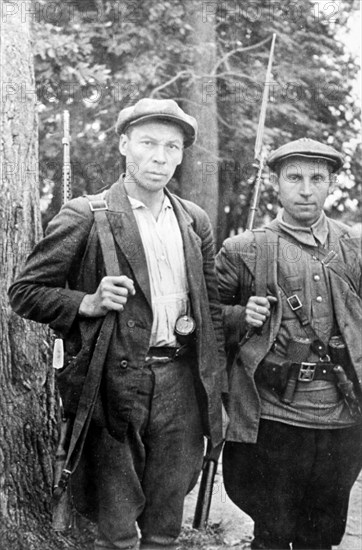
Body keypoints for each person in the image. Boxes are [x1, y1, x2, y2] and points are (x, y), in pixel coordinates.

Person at [8, 98, 226, 550]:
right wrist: (87, 300)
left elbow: (211, 315)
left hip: (181, 386)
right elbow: (25, 292)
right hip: (113, 386)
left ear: (182, 154)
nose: (160, 157)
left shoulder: (193, 221)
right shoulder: (86, 214)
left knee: (165, 524)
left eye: (172, 146)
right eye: (148, 143)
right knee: (117, 527)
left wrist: (214, 388)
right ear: (125, 145)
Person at [215, 138, 362, 550]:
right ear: (276, 183)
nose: (305, 189)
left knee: (320, 536)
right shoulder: (244, 249)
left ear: (331, 183)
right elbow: (203, 318)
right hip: (275, 417)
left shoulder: (354, 247)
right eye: (294, 177)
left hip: (341, 417)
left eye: (317, 178)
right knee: (273, 533)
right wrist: (242, 315)